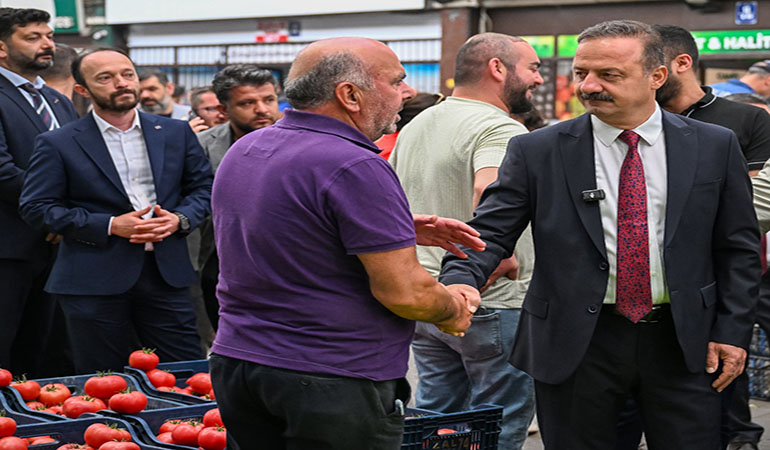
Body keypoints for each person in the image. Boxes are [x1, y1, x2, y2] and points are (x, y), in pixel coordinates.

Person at [439, 20, 760, 449]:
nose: (588, 86)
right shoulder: (537, 149)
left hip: (685, 343)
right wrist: (459, 279)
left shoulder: (714, 145)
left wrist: (733, 331)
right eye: (581, 73)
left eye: (609, 75)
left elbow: (737, 249)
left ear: (656, 76)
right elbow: (491, 230)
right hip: (576, 346)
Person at [209, 37, 483, 449]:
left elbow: (280, 225)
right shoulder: (354, 162)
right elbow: (406, 293)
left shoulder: (247, 148)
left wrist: (393, 228)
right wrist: (454, 308)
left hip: (239, 364)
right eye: (396, 81)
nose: (406, 92)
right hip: (330, 377)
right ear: (350, 95)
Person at [611, 23, 770, 450]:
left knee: (720, 373)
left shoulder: (744, 119)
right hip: (635, 290)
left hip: (714, 279)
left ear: (679, 64)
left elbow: (746, 207)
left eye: (651, 66)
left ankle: (739, 434)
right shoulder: (625, 122)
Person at [389, 32, 543, 449]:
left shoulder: (419, 123)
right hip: (489, 300)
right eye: (533, 68)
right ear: (498, 68)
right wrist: (501, 255)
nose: (539, 79)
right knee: (497, 425)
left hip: (428, 296)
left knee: (435, 422)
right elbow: (489, 192)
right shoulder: (499, 127)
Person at [18, 47, 214, 374]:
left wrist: (180, 219)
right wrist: (109, 225)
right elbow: (37, 207)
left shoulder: (175, 132)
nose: (121, 83)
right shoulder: (58, 142)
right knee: (104, 379)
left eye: (127, 74)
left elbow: (204, 188)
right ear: (82, 90)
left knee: (186, 375)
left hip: (166, 272)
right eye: (105, 78)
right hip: (93, 277)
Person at [0, 7, 79, 377]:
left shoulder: (57, 100)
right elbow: (2, 171)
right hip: (9, 246)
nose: (47, 44)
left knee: (45, 355)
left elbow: (80, 165)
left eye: (48, 36)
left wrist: (67, 217)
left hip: (56, 247)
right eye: (32, 37)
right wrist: (52, 213)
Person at [194, 64, 281, 330]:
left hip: (284, 254)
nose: (262, 109)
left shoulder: (304, 141)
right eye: (247, 103)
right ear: (224, 109)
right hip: (222, 257)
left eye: (269, 99)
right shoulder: (201, 145)